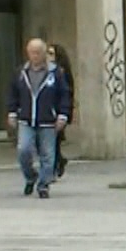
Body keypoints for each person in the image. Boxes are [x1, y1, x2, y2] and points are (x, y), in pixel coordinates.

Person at [6, 38, 71, 198]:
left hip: (48, 120)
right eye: (31, 52)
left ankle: (43, 185)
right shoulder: (21, 73)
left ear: (44, 54)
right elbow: (13, 93)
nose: (35, 56)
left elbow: (64, 95)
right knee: (24, 150)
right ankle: (31, 177)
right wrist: (12, 112)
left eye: (38, 52)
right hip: (26, 119)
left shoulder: (56, 73)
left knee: (48, 155)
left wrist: (63, 115)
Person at [49, 43, 75, 178]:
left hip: (59, 111)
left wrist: (65, 113)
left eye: (51, 54)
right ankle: (59, 161)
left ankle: (55, 165)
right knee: (52, 142)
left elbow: (67, 93)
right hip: (48, 110)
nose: (49, 57)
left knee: (54, 141)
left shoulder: (61, 72)